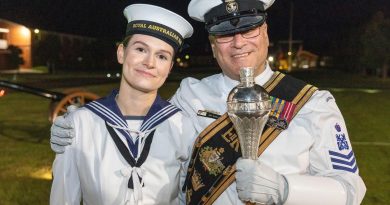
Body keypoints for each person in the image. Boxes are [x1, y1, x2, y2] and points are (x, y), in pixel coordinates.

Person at [50, 0, 367, 204]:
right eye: (226, 35)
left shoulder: (312, 104)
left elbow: (351, 190)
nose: (239, 42)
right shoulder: (190, 95)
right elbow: (144, 131)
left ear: (266, 31)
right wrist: (78, 127)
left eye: (248, 29)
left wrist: (286, 189)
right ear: (214, 45)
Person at [50, 4, 196, 205]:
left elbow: (188, 197)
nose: (149, 62)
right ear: (121, 52)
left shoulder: (182, 126)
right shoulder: (80, 124)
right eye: (140, 49)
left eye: (162, 56)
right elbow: (63, 198)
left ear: (170, 67)